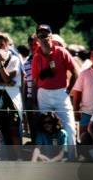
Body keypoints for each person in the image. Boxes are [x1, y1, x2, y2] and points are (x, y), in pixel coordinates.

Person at [31, 24, 78, 157]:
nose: (43, 38)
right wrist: (34, 100)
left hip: (60, 93)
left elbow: (75, 71)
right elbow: (35, 80)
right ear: (37, 39)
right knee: (45, 126)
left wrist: (68, 90)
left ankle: (72, 157)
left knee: (69, 126)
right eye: (40, 35)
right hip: (43, 94)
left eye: (46, 34)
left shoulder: (61, 51)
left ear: (51, 36)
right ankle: (48, 156)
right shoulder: (36, 56)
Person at [0, 32, 23, 153]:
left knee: (14, 129)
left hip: (12, 97)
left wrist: (1, 63)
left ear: (7, 44)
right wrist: (3, 83)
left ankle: (19, 157)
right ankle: (2, 157)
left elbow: (7, 78)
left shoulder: (15, 59)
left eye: (1, 44)